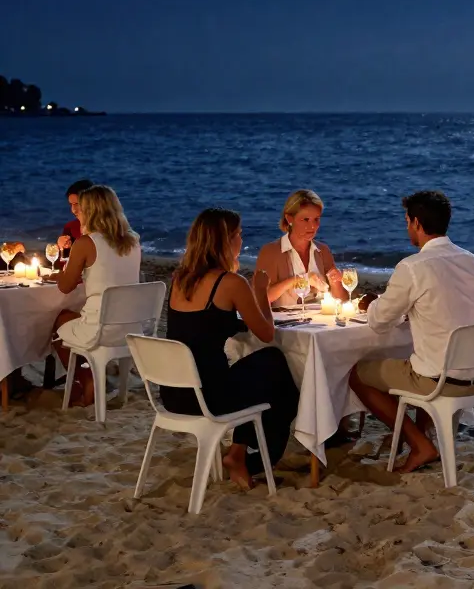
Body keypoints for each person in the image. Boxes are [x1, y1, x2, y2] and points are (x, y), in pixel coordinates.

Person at [348, 191, 474, 474]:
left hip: (442, 380)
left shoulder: (413, 267)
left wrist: (372, 303)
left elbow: (378, 323)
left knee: (357, 374)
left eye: (406, 221)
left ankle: (418, 443)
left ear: (416, 222)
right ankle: (419, 434)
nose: (407, 228)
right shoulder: (470, 260)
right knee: (424, 358)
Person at [162, 208, 299, 489]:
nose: (242, 240)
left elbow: (200, 325)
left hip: (174, 393)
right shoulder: (231, 283)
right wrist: (260, 291)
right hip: (210, 397)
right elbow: (266, 333)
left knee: (259, 374)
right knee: (276, 368)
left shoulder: (180, 279)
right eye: (239, 235)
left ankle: (237, 452)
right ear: (225, 241)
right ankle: (250, 461)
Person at [50, 185, 143, 408]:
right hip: (132, 327)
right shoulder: (133, 240)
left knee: (59, 320)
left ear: (90, 211)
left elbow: (66, 287)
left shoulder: (86, 243)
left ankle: (86, 380)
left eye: (81, 208)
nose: (78, 212)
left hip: (100, 329)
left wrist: (57, 275)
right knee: (75, 316)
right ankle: (91, 379)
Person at [254, 189, 347, 309]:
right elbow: (260, 298)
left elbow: (342, 299)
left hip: (320, 323)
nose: (312, 226)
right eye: (306, 219)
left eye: (316, 219)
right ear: (289, 219)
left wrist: (336, 283)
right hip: (287, 325)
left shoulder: (322, 250)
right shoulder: (271, 252)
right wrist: (301, 280)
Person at [56, 178, 94, 265]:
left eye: (77, 204)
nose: (73, 210)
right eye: (71, 204)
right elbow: (62, 265)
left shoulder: (107, 229)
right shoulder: (71, 228)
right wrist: (61, 248)